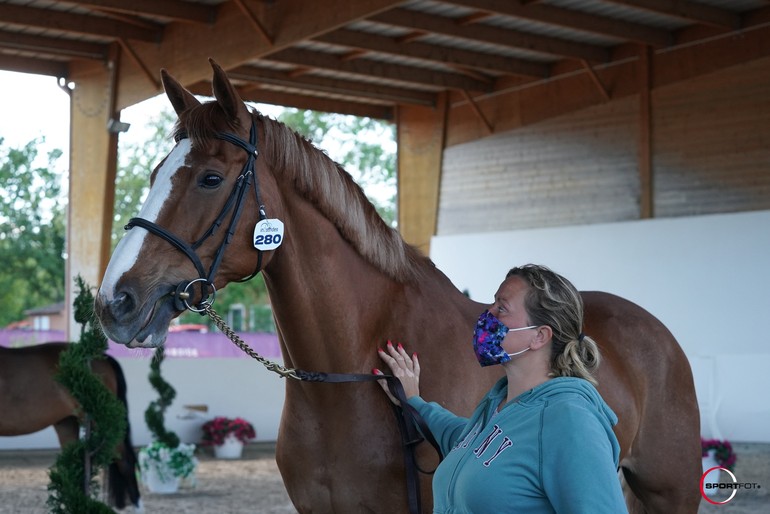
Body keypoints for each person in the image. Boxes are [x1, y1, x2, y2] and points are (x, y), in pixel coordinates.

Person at [375, 264, 628, 513]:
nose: (487, 314)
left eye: (501, 308)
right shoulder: (498, 406)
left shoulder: (571, 420)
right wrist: (414, 402)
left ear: (539, 336)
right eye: (493, 304)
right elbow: (470, 445)